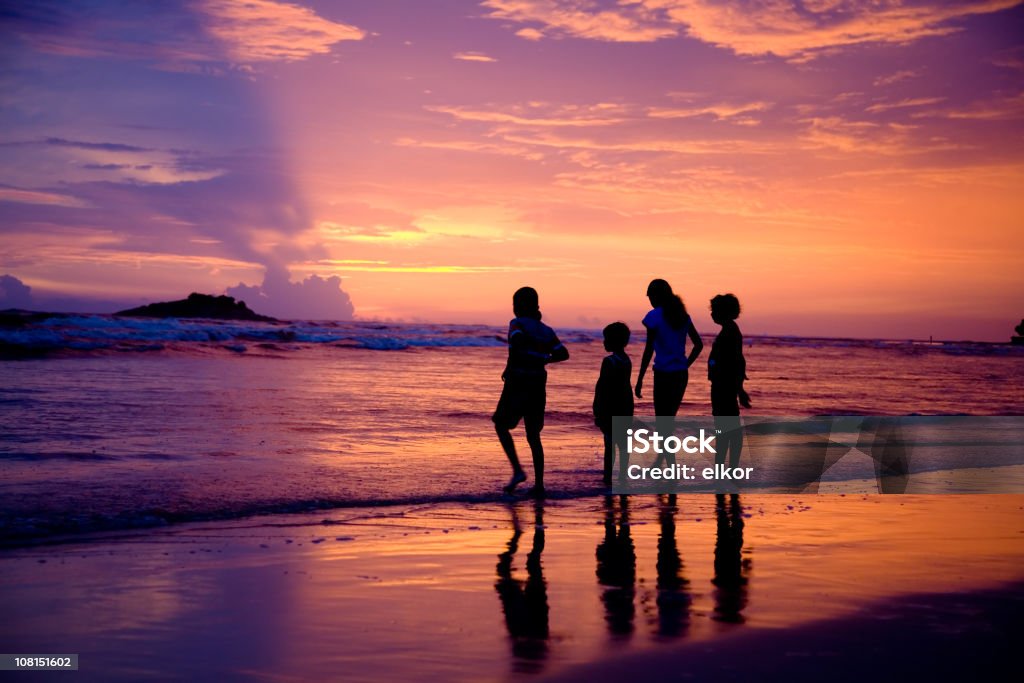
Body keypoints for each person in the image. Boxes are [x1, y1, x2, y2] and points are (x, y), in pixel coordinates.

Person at [493, 287, 569, 497]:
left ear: (520, 306)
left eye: (515, 304)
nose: (514, 308)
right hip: (537, 382)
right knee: (533, 435)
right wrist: (543, 357)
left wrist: (517, 361)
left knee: (500, 424)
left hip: (519, 381)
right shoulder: (546, 330)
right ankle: (539, 485)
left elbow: (517, 342)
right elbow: (563, 354)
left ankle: (518, 471)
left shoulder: (516, 324)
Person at [634, 279, 703, 466]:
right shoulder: (682, 315)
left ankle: (668, 467)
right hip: (680, 375)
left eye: (650, 296)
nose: (649, 300)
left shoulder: (654, 316)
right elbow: (699, 345)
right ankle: (662, 464)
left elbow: (649, 350)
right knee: (667, 423)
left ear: (657, 295)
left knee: (663, 424)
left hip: (663, 375)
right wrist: (685, 364)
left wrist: (639, 379)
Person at [708, 293, 750, 469]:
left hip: (724, 385)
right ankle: (726, 466)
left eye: (715, 310)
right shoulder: (728, 330)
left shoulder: (730, 332)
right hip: (722, 384)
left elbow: (737, 361)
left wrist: (739, 388)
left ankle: (727, 466)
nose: (712, 314)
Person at [593, 322, 634, 486]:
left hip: (611, 407)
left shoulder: (609, 361)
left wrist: (598, 409)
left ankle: (608, 479)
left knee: (609, 445)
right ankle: (622, 477)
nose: (603, 342)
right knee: (623, 445)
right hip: (625, 405)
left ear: (613, 341)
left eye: (606, 339)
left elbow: (602, 386)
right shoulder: (626, 360)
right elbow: (625, 386)